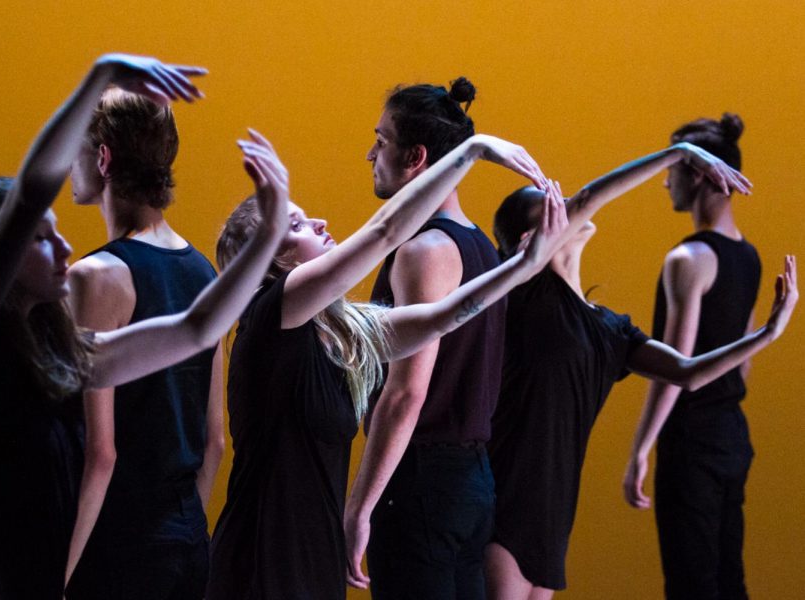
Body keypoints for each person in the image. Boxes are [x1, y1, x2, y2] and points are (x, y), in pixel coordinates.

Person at [0, 53, 290, 600]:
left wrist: (272, 226)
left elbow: (198, 328)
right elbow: (29, 193)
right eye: (41, 237)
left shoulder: (65, 357)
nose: (65, 245)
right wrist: (100, 77)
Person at [207, 130, 560, 600]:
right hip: (263, 553)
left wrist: (522, 267)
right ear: (270, 263)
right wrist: (471, 151)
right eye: (294, 226)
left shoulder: (335, 332)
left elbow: (437, 319)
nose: (318, 222)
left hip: (315, 551)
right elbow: (384, 232)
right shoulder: (270, 312)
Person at [484, 141, 797, 600]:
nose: (564, 203)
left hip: (552, 511)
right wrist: (679, 154)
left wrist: (767, 334)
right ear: (527, 243)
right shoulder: (525, 296)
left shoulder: (609, 329)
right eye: (550, 207)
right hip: (505, 502)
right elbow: (590, 197)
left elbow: (687, 372)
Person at [343, 77, 548, 599]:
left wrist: (360, 507)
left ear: (415, 156)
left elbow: (407, 392)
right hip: (471, 480)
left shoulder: (425, 251)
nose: (370, 153)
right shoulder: (479, 244)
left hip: (422, 485)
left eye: (381, 140)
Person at [63, 87, 222, 599]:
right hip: (186, 537)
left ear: (103, 157)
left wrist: (58, 574)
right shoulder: (205, 272)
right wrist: (181, 532)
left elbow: (100, 452)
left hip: (116, 545)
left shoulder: (96, 277)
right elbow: (215, 440)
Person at [623, 114, 768, 599]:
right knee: (730, 576)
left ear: (702, 174)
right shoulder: (748, 256)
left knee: (692, 583)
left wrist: (642, 448)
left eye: (674, 170)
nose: (665, 180)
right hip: (732, 435)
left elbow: (674, 367)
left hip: (693, 443)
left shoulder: (688, 260)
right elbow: (739, 360)